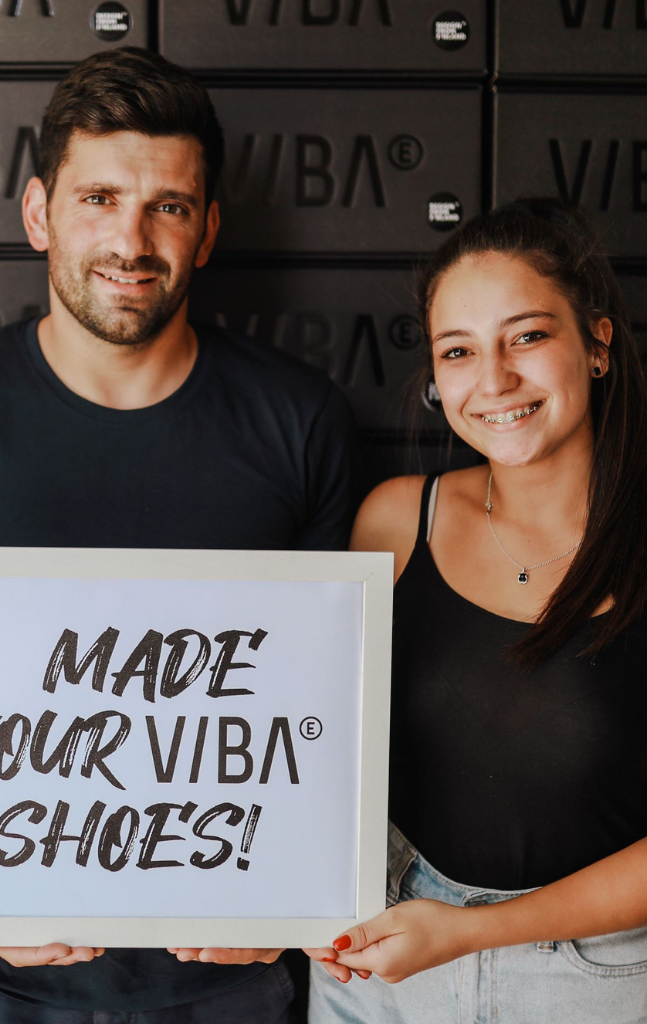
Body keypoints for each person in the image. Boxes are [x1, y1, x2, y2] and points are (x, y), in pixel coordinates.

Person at [0, 46, 355, 1024]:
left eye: (167, 205)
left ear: (206, 230)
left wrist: (293, 904)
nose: (131, 238)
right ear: (39, 212)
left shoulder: (298, 419)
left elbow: (323, 710)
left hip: (228, 978)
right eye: (99, 199)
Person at [305, 199, 647, 1022]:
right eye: (458, 351)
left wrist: (471, 933)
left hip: (597, 984)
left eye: (527, 336)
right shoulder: (393, 520)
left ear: (597, 343)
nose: (493, 381)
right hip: (379, 964)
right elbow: (307, 743)